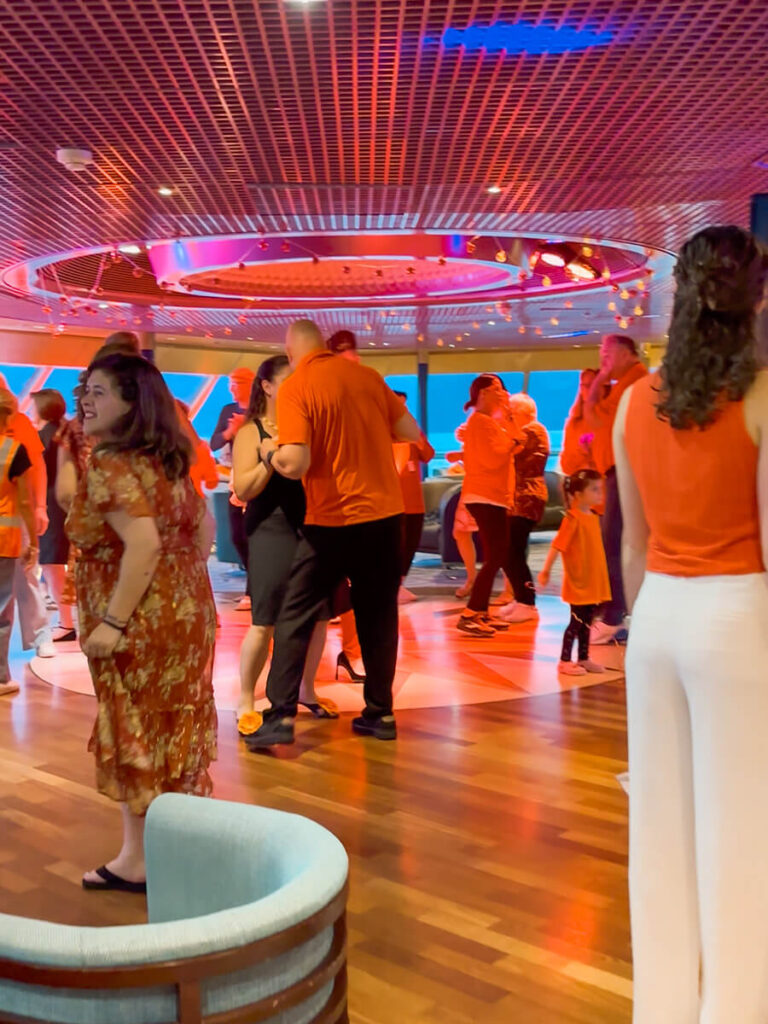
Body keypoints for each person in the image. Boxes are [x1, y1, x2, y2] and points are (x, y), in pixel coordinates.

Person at [614, 225, 768, 1022]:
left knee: (661, 828)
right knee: (739, 830)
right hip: (736, 618)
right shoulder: (764, 396)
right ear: (757, 298)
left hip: (658, 621)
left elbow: (633, 546)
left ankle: (666, 1008)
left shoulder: (635, 400)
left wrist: (646, 622)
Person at [68, 352, 217, 892]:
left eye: (100, 391)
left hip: (139, 619)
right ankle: (174, 847)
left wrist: (111, 620)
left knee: (137, 729)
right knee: (174, 728)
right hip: (187, 609)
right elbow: (202, 534)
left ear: (132, 403)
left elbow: (143, 545)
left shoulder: (111, 462)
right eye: (86, 389)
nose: (86, 400)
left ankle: (138, 862)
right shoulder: (170, 457)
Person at [245, 319, 421, 748]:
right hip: (385, 516)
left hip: (332, 519)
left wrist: (269, 449)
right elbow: (410, 434)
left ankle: (281, 715)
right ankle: (380, 714)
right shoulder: (367, 377)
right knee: (379, 617)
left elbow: (297, 462)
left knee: (295, 614)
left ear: (290, 354)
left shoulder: (297, 386)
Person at [232, 355, 338, 735]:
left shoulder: (309, 426)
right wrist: (268, 459)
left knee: (321, 614)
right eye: (289, 380)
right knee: (265, 620)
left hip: (315, 526)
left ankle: (307, 689)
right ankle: (246, 698)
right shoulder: (252, 432)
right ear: (267, 386)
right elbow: (243, 489)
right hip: (271, 529)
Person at [585, 335, 647, 643]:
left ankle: (615, 616)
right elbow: (593, 416)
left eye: (607, 355)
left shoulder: (635, 383)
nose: (603, 362)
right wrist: (603, 379)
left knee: (617, 544)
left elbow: (592, 413)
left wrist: (601, 379)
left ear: (626, 353)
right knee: (616, 543)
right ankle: (616, 612)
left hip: (628, 471)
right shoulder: (624, 385)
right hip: (617, 473)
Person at [456, 375, 521, 637]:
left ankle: (480, 612)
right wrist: (510, 436)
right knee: (497, 554)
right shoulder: (480, 422)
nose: (501, 393)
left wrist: (510, 431)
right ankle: (470, 613)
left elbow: (514, 445)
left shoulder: (484, 423)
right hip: (485, 496)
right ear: (482, 393)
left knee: (498, 554)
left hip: (491, 496)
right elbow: (496, 456)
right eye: (496, 389)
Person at [537, 470, 610, 675]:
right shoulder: (572, 519)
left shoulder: (594, 517)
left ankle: (584, 657)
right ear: (578, 494)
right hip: (579, 581)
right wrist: (546, 570)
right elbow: (557, 546)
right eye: (594, 489)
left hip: (592, 579)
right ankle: (564, 660)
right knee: (576, 622)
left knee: (587, 622)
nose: (599, 493)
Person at [0, 378, 53, 659]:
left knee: (27, 575)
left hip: (16, 514)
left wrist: (40, 506)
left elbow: (37, 467)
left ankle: (41, 635)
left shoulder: (19, 422)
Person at [498, 393, 550, 623]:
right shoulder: (526, 431)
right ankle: (521, 598)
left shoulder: (533, 430)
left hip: (527, 498)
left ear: (525, 413)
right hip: (517, 499)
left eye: (512, 413)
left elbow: (507, 449)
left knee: (513, 551)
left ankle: (527, 602)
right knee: (509, 551)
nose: (508, 417)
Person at [30, 389, 76, 641]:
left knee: (52, 564)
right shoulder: (65, 433)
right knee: (54, 564)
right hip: (63, 506)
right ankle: (65, 621)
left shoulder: (44, 437)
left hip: (50, 506)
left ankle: (66, 623)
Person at [0, 388, 36, 697]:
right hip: (4, 540)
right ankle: (0, 677)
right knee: (1, 612)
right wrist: (33, 542)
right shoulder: (14, 450)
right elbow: (25, 501)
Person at [210, 367, 255, 611]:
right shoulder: (229, 410)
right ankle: (254, 584)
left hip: (259, 479)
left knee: (256, 536)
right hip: (237, 480)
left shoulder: (262, 410)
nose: (232, 388)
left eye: (237, 382)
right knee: (238, 536)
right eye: (230, 383)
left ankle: (254, 591)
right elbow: (215, 442)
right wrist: (231, 430)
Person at [392, 391, 434, 603]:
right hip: (392, 501)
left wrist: (416, 437)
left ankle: (400, 584)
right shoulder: (382, 433)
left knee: (411, 543)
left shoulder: (412, 433)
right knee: (394, 545)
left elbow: (428, 455)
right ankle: (391, 586)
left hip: (414, 501)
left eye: (405, 406)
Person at [560, 369, 599, 476]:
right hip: (580, 482)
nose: (587, 389)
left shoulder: (609, 419)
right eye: (583, 385)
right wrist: (581, 452)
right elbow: (565, 465)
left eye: (591, 385)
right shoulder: (574, 421)